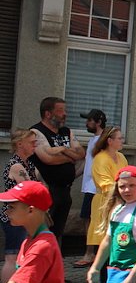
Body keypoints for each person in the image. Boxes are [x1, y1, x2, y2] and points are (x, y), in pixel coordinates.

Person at [30, 97, 85, 249]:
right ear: (48, 114)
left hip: (65, 189)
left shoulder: (66, 131)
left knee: (58, 231)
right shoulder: (36, 132)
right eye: (60, 111)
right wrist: (70, 157)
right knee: (43, 230)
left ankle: (55, 261)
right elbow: (47, 159)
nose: (65, 114)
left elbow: (81, 153)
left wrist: (63, 150)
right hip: (48, 189)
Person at [78, 126, 128, 267]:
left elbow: (126, 176)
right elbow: (105, 184)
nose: (122, 140)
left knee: (117, 241)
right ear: (110, 141)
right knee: (105, 241)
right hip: (104, 204)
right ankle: (101, 279)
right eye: (119, 138)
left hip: (120, 202)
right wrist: (126, 191)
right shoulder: (100, 159)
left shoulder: (121, 157)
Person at [2, 129, 42, 283]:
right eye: (31, 142)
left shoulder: (28, 164)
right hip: (14, 217)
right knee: (12, 256)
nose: (35, 145)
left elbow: (40, 187)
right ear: (20, 144)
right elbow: (32, 189)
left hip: (24, 216)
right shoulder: (16, 166)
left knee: (20, 255)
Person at [79, 109, 106, 246]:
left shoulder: (104, 141)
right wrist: (74, 175)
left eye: (89, 120)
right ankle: (90, 252)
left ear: (99, 122)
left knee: (92, 219)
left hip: (96, 187)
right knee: (86, 218)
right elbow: (87, 161)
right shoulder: (93, 140)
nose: (86, 123)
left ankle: (91, 253)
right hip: (89, 186)